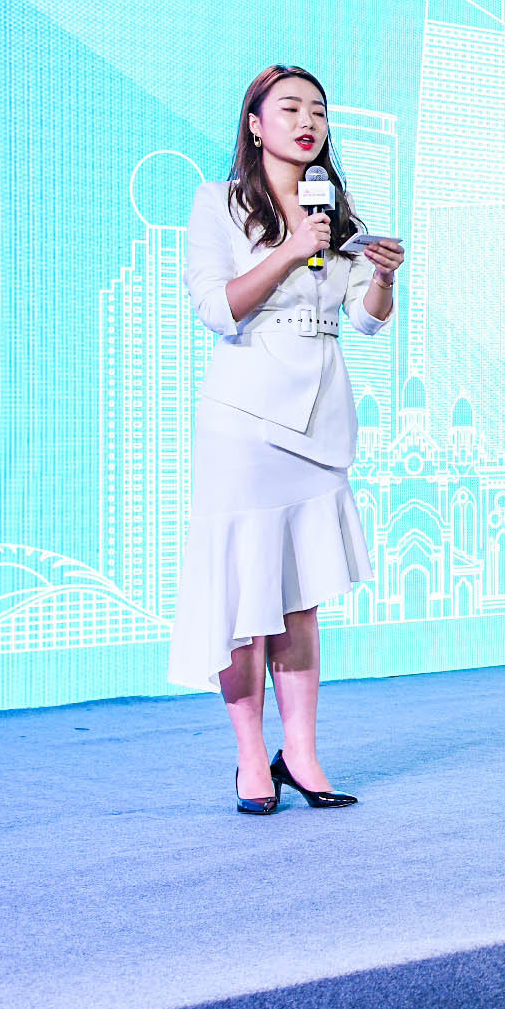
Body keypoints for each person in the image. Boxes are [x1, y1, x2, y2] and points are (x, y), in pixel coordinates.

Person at [173, 64, 406, 814]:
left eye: (319, 111)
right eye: (291, 108)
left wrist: (383, 278)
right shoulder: (218, 204)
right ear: (255, 124)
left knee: (301, 599)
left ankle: (300, 755)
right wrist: (291, 245)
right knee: (245, 597)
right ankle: (251, 759)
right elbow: (218, 309)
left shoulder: (333, 210)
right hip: (245, 419)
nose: (308, 122)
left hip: (321, 419)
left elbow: (364, 322)